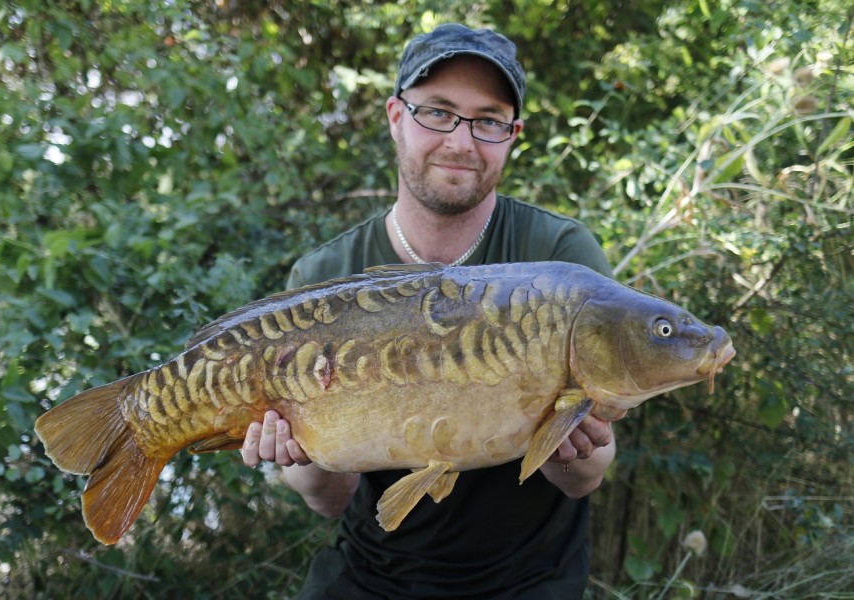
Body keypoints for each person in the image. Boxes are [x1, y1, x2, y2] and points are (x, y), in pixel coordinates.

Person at [241, 23, 622, 599]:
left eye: (488, 120)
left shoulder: (560, 259)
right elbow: (326, 500)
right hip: (375, 572)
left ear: (512, 135)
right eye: (437, 112)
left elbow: (587, 479)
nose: (462, 141)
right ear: (397, 116)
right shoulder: (324, 279)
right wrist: (297, 448)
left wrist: (573, 443)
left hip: (528, 578)